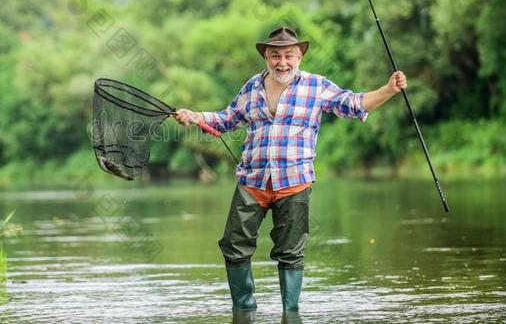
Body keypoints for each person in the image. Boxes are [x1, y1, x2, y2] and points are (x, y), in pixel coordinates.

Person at [174, 26, 407, 312]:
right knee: (234, 247)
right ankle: (244, 311)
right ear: (266, 57)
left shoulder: (316, 86)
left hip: (295, 182)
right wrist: (195, 116)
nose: (281, 62)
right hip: (252, 180)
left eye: (288, 55)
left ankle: (290, 313)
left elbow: (354, 104)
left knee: (291, 253)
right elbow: (227, 118)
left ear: (300, 57)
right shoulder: (251, 87)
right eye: (275, 55)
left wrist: (388, 89)